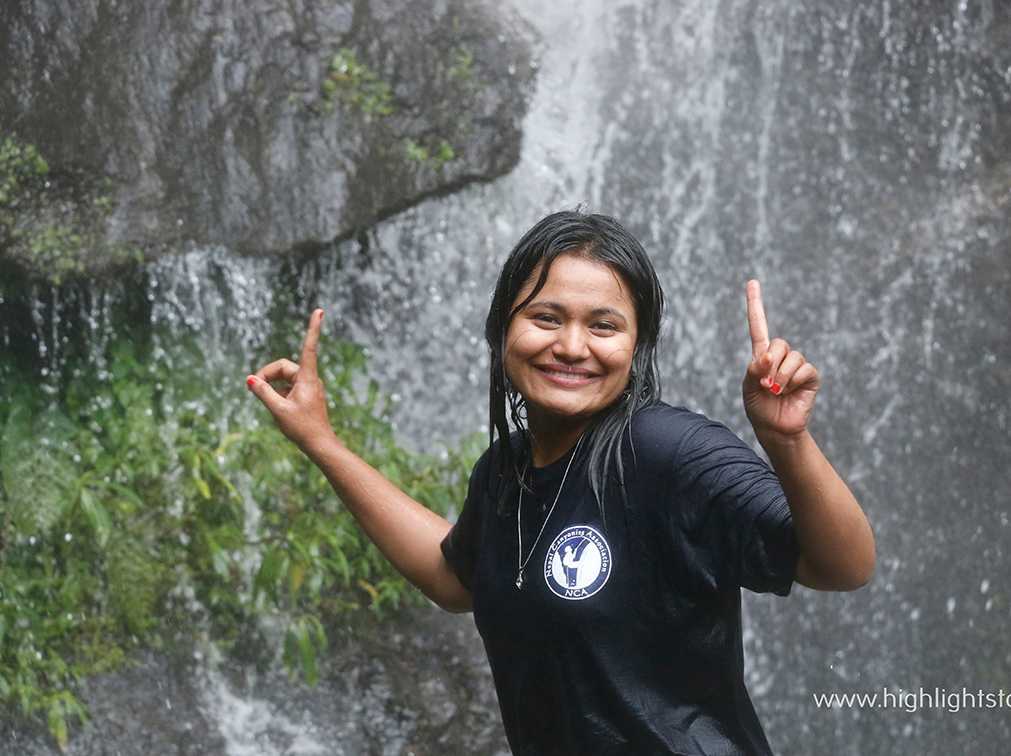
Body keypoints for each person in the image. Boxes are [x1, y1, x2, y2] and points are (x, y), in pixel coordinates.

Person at [246, 210, 874, 755]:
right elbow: (454, 580)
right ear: (502, 330)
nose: (572, 346)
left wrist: (786, 440)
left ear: (636, 348)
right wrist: (320, 443)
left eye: (604, 326)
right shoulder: (506, 472)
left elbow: (844, 565)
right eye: (546, 317)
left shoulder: (669, 452)